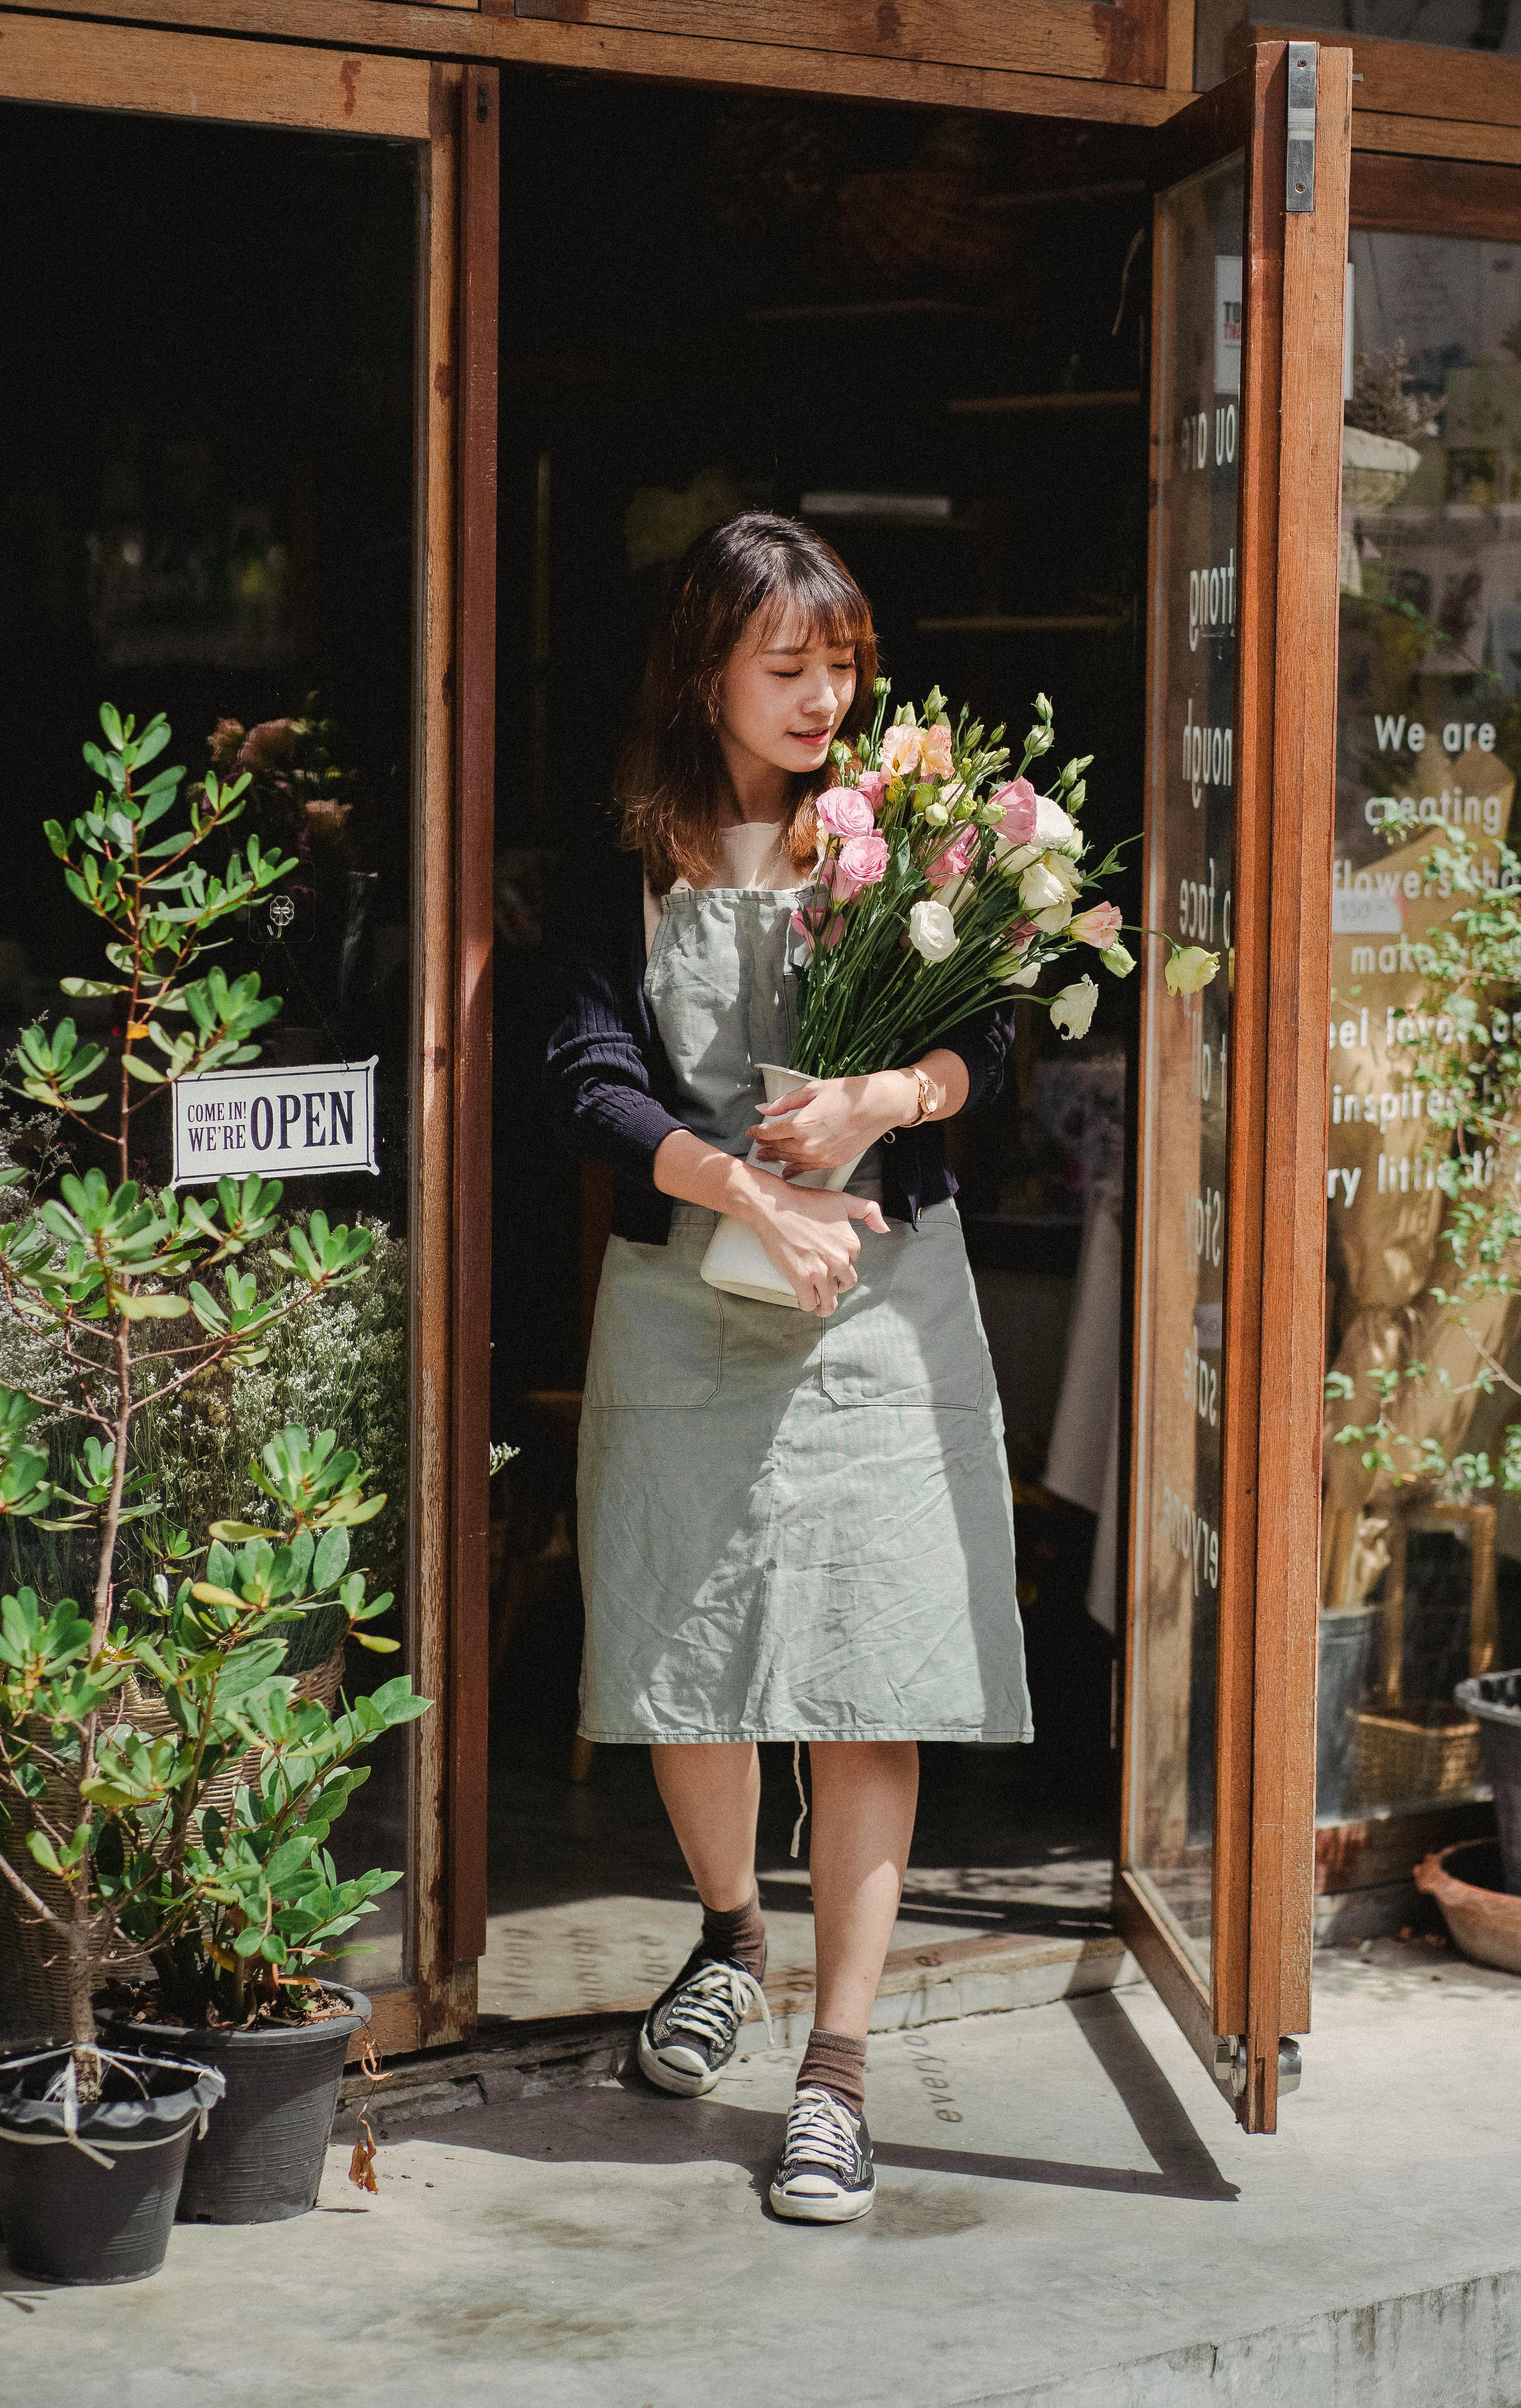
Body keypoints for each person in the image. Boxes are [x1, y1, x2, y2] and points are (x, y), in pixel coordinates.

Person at [545, 512, 1030, 2224]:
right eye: (787, 664)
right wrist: (743, 1175)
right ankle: (730, 1939)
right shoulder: (625, 844)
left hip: (884, 1300)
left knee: (872, 1662)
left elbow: (990, 1032)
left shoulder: (905, 832)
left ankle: (836, 2071)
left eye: (842, 664)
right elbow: (586, 1071)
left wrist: (875, 1104)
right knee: (691, 1642)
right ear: (706, 670)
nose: (825, 696)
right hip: (689, 1294)